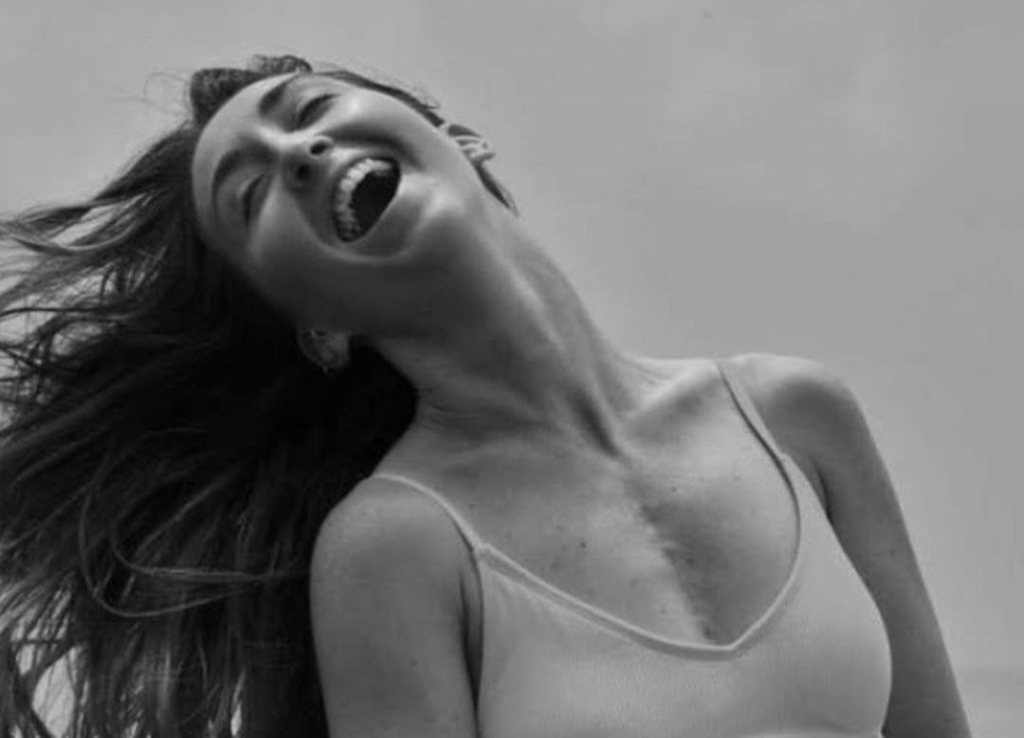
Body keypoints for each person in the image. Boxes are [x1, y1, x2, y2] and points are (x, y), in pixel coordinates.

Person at [0, 54, 971, 738]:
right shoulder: (398, 545)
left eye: (309, 109)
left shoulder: (795, 417)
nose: (298, 154)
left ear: (455, 139)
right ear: (312, 326)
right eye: (250, 195)